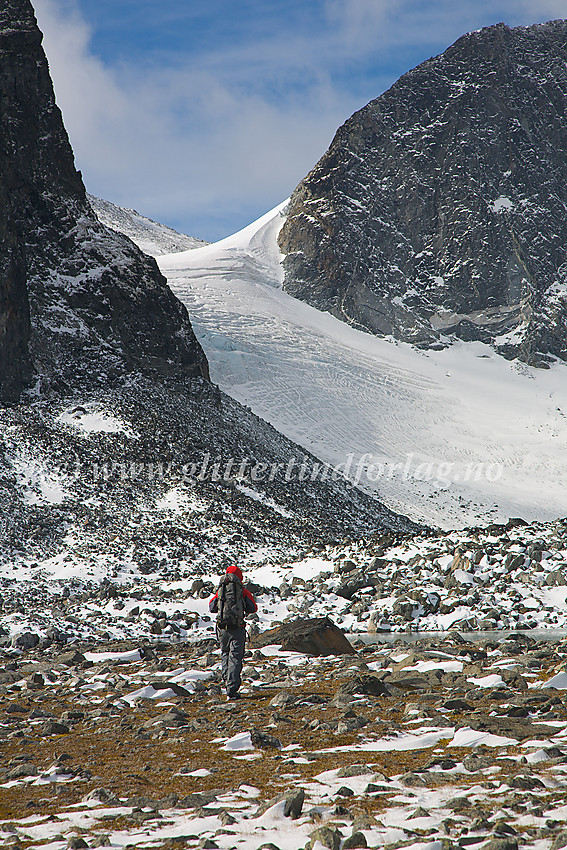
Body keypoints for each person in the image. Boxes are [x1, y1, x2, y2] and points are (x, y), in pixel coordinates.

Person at [209, 564, 257, 699]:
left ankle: (226, 682)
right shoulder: (242, 590)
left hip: (222, 628)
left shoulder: (220, 590)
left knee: (225, 653)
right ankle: (232, 688)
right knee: (235, 657)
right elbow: (253, 608)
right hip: (237, 627)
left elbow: (212, 607)